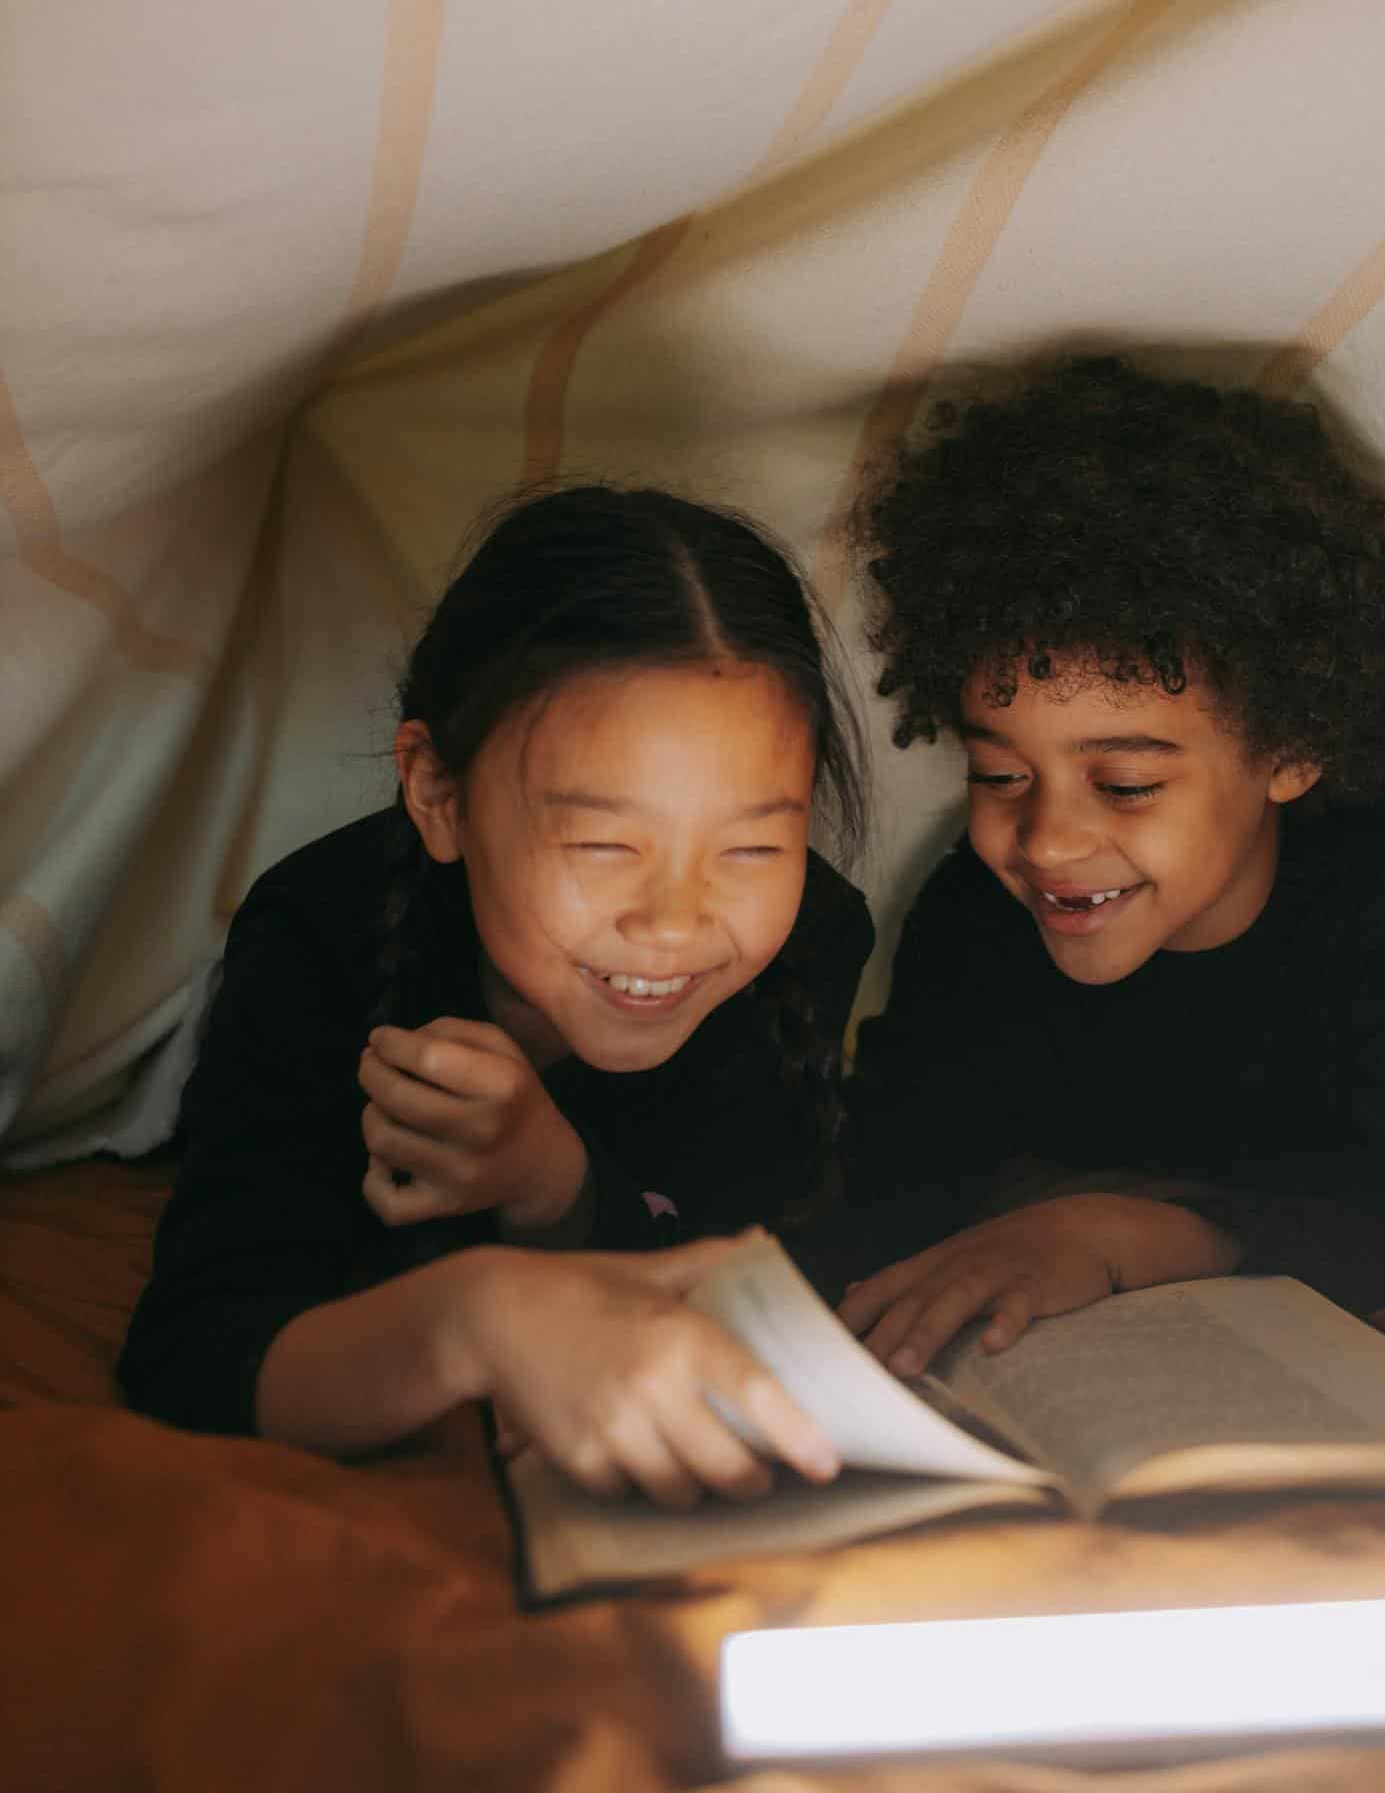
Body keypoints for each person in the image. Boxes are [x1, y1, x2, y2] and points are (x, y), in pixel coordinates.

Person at [120, 484, 873, 1508]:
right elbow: (199, 1359)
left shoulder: (804, 940)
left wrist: (553, 1185)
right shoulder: (320, 933)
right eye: (606, 845)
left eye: (751, 846)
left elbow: (769, 1283)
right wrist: (474, 1316)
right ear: (436, 793)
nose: (676, 920)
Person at [829, 354, 1385, 1375]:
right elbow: (893, 1193)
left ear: (1292, 747)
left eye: (1124, 784)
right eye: (999, 773)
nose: (1048, 842)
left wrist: (1126, 1236)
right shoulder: (977, 914)